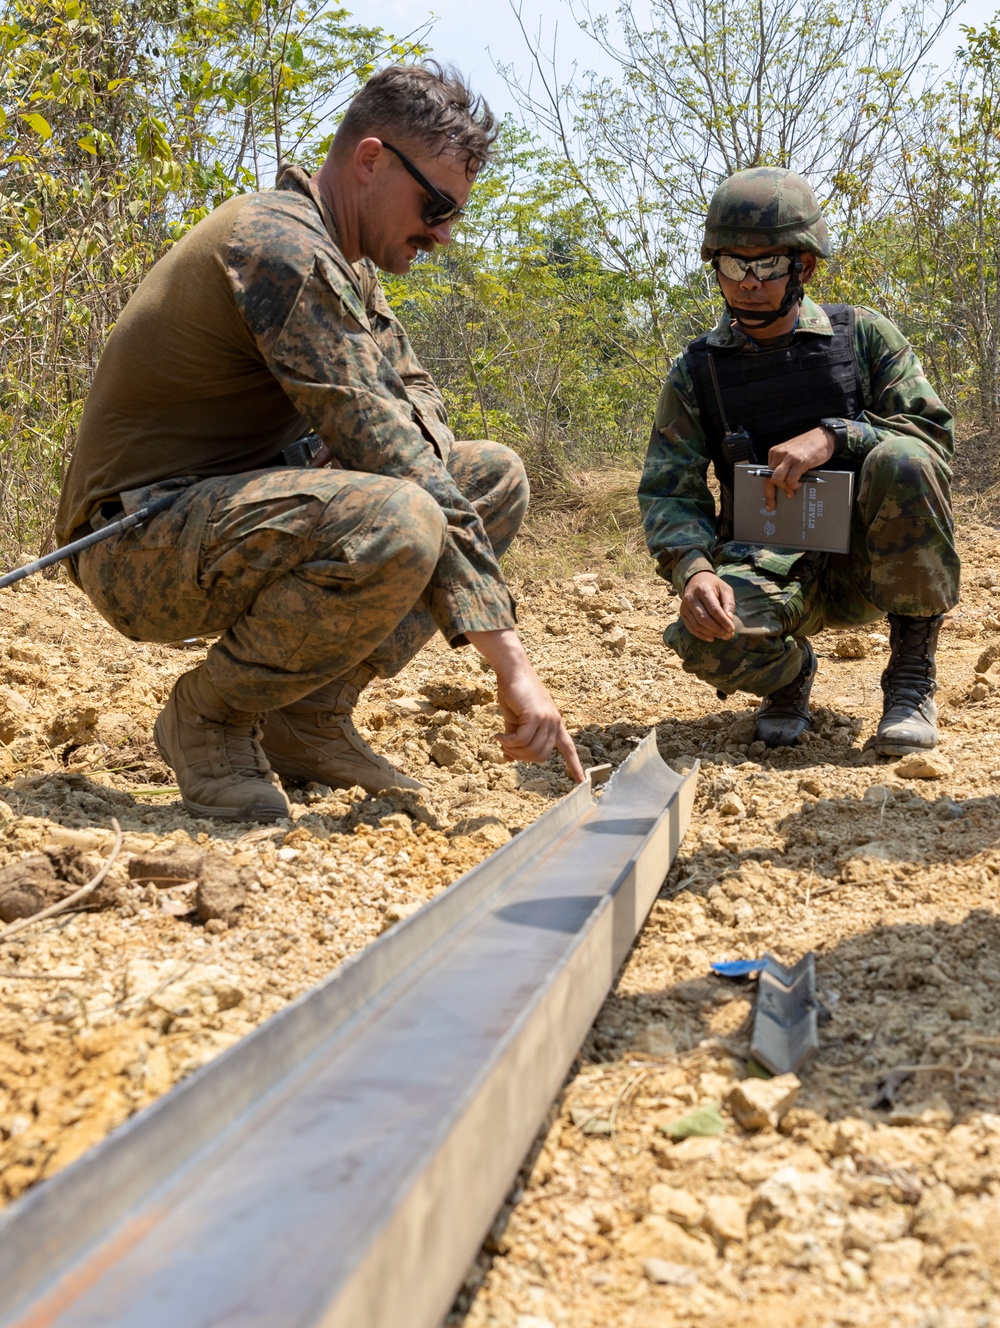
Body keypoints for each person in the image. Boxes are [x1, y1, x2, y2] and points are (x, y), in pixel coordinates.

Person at [55, 63, 584, 822]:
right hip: (134, 541)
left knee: (490, 477)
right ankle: (208, 716)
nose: (440, 234)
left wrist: (377, 436)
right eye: (434, 206)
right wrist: (514, 666)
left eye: (453, 216)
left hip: (229, 514)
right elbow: (397, 456)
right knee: (400, 517)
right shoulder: (281, 249)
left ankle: (304, 716)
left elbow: (417, 397)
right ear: (371, 159)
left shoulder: (344, 263)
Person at [639, 166, 959, 753]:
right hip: (771, 564)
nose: (748, 282)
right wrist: (696, 571)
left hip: (873, 559)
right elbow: (669, 490)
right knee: (707, 640)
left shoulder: (863, 336)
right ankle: (788, 678)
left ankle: (911, 676)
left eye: (764, 265)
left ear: (803, 267)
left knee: (905, 459)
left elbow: (931, 436)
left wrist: (839, 436)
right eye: (733, 265)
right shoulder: (697, 371)